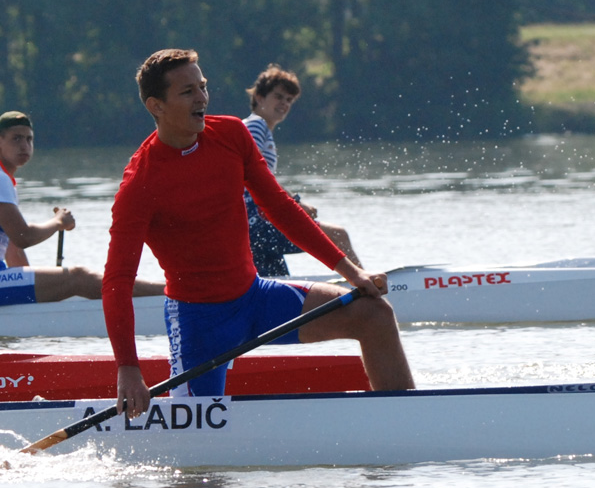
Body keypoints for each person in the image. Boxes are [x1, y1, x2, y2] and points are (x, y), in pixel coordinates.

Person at [104, 49, 414, 418]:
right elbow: (117, 281)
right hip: (199, 322)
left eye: (202, 87)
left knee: (375, 315)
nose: (202, 98)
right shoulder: (140, 183)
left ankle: (406, 426)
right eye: (187, 92)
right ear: (156, 105)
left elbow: (281, 208)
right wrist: (128, 368)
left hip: (256, 297)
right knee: (202, 466)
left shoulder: (231, 135)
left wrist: (352, 274)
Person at [0, 111, 163, 306]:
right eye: (16, 138)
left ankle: (156, 292)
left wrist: (51, 290)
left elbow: (14, 251)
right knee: (80, 277)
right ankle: (166, 292)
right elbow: (23, 236)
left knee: (71, 280)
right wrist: (58, 222)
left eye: (29, 139)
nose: (24, 145)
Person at [242, 64, 362, 276]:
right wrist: (295, 203)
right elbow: (252, 172)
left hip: (249, 228)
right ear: (259, 97)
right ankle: (366, 287)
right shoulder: (256, 125)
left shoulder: (260, 129)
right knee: (338, 235)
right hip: (256, 224)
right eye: (278, 97)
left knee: (277, 287)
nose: (284, 104)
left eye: (289, 100)